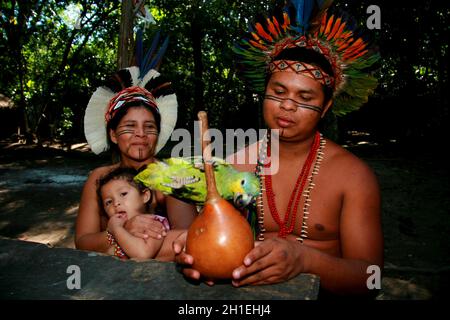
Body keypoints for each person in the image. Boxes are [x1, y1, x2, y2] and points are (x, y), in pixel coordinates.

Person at [173, 0, 383, 297]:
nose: (287, 105)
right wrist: (196, 254)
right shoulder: (233, 167)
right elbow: (211, 243)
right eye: (278, 92)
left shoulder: (354, 177)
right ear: (264, 92)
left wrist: (304, 260)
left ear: (325, 107)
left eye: (304, 96)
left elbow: (370, 278)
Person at [75, 65, 197, 256]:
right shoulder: (99, 178)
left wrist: (114, 247)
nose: (141, 134)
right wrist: (123, 230)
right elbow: (83, 242)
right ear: (113, 135)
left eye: (149, 126)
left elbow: (191, 240)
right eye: (130, 126)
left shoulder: (173, 176)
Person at [98, 167, 183, 261]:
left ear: (145, 196)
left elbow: (143, 254)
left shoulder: (152, 223)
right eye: (109, 202)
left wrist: (116, 229)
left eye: (123, 194)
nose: (116, 203)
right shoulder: (119, 232)